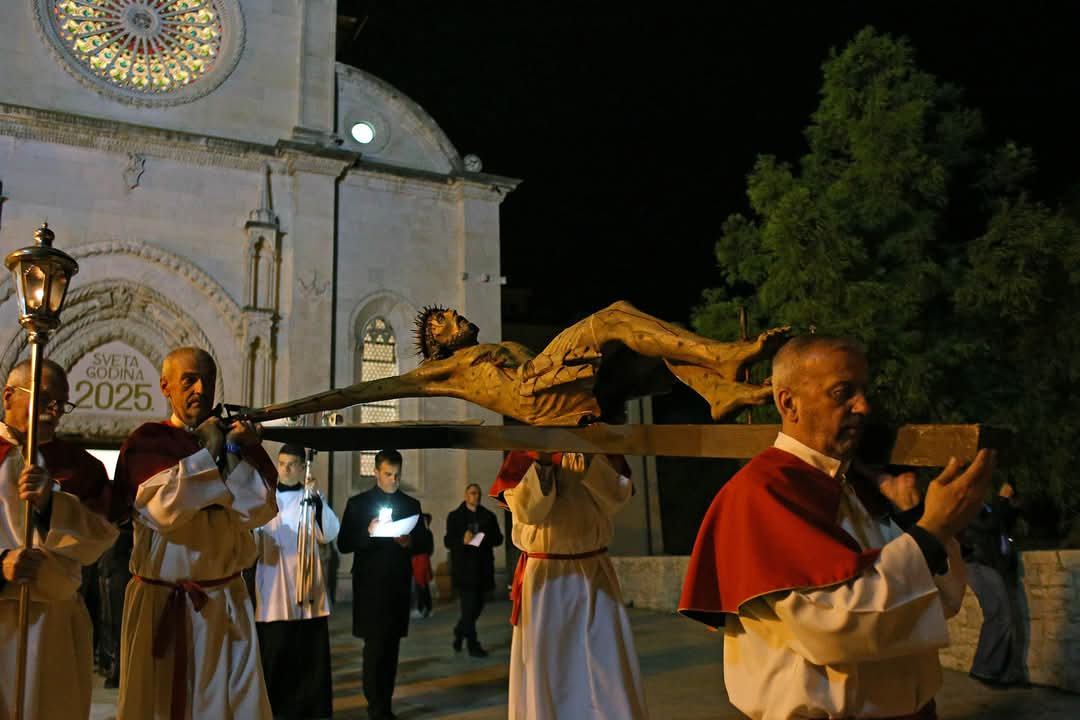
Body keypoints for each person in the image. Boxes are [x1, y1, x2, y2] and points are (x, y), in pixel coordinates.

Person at [679, 335, 995, 720]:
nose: (863, 406)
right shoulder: (760, 494)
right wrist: (930, 532)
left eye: (864, 391)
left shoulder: (856, 485)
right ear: (788, 403)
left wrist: (920, 520)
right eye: (842, 393)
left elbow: (939, 600)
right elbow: (834, 625)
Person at [253, 301, 789, 426]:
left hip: (560, 385)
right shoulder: (445, 371)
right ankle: (725, 356)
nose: (455, 316)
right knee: (614, 315)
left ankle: (719, 390)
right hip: (533, 390)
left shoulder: (497, 344)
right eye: (443, 321)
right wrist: (270, 413)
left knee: (645, 336)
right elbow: (357, 394)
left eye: (450, 313)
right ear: (437, 345)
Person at [112, 347, 278, 720]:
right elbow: (164, 510)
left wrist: (231, 449)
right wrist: (209, 453)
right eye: (189, 380)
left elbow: (259, 510)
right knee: (155, 704)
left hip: (223, 603)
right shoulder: (148, 441)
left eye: (208, 380)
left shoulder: (237, 444)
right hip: (160, 603)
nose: (201, 389)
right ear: (165, 386)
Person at [0, 358, 118, 719]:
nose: (53, 410)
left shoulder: (82, 466)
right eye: (43, 399)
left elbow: (102, 536)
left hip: (55, 622)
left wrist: (52, 503)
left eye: (61, 403)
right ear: (8, 396)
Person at [490, 451, 648, 719]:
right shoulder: (526, 451)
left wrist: (590, 462)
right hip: (547, 576)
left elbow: (616, 499)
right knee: (550, 665)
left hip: (594, 571)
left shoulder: (597, 446)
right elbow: (528, 512)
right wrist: (543, 464)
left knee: (605, 662)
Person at [253, 443, 341, 719]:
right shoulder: (265, 498)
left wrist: (315, 500)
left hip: (306, 588)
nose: (285, 469)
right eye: (281, 464)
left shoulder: (310, 497)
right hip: (273, 588)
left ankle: (310, 710)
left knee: (307, 657)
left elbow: (328, 533)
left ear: (303, 467)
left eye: (292, 464)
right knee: (275, 654)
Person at [337, 449, 426, 720]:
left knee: (392, 649)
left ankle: (385, 705)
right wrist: (368, 532)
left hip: (397, 585)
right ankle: (375, 708)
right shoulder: (358, 504)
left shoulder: (410, 505)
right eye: (388, 474)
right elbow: (344, 543)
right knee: (374, 649)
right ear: (375, 473)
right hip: (370, 587)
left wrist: (409, 542)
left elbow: (424, 543)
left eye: (397, 475)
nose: (393, 480)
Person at [962, 481, 1024, 687]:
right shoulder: (966, 507)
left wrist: (1012, 506)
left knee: (1003, 617)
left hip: (993, 566)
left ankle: (1001, 673)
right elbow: (988, 526)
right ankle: (984, 669)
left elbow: (1001, 525)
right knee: (1000, 615)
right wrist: (1002, 500)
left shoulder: (987, 507)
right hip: (979, 565)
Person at [444, 482, 503, 657]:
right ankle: (473, 645)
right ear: (465, 496)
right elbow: (448, 541)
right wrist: (462, 540)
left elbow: (498, 539)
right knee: (469, 607)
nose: (475, 496)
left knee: (478, 605)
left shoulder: (488, 516)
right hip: (464, 570)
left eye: (478, 493)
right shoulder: (455, 516)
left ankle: (460, 630)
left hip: (483, 568)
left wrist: (483, 538)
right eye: (472, 493)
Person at [412, 512, 434, 618]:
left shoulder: (425, 533)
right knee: (422, 586)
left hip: (420, 560)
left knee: (421, 585)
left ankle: (422, 608)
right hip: (420, 559)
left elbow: (429, 549)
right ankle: (427, 608)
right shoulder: (425, 532)